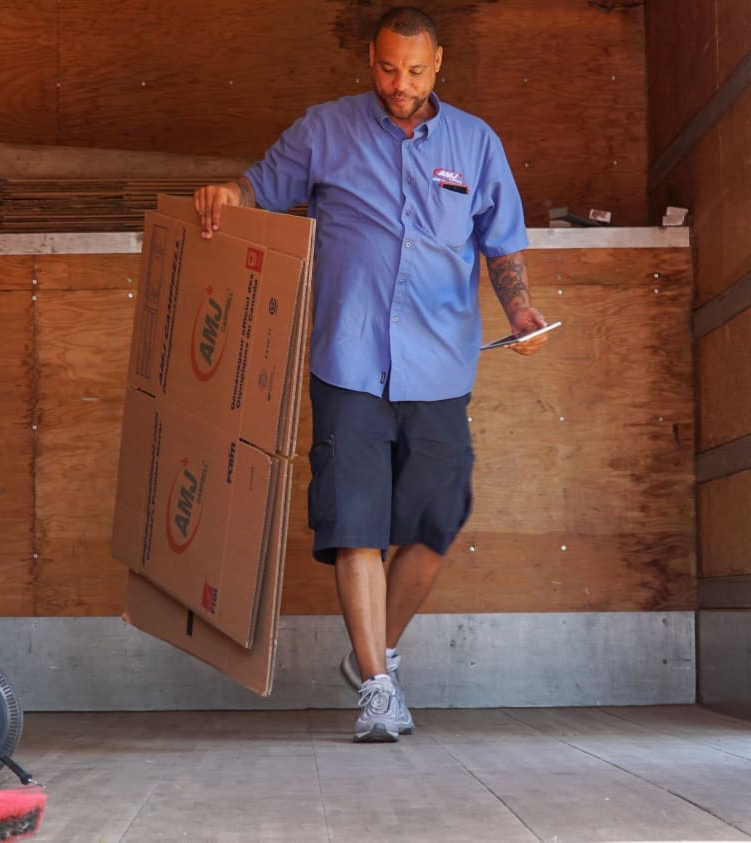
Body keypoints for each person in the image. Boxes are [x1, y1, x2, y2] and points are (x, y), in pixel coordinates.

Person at [194, 6, 549, 742]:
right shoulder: (325, 129)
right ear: (370, 58)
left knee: (434, 525)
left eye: (415, 71)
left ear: (439, 63)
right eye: (388, 68)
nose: (400, 84)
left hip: (440, 367)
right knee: (354, 523)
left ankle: (371, 652)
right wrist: (230, 194)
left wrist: (519, 311)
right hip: (349, 362)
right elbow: (260, 185)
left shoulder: (475, 144)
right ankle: (380, 689)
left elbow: (503, 246)